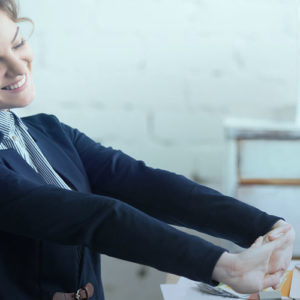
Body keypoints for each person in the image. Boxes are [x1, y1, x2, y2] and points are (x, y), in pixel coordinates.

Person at [0, 1, 295, 299]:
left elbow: (144, 183)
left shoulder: (49, 132)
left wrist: (266, 226)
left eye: (18, 43)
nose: (16, 66)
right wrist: (224, 266)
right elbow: (94, 218)